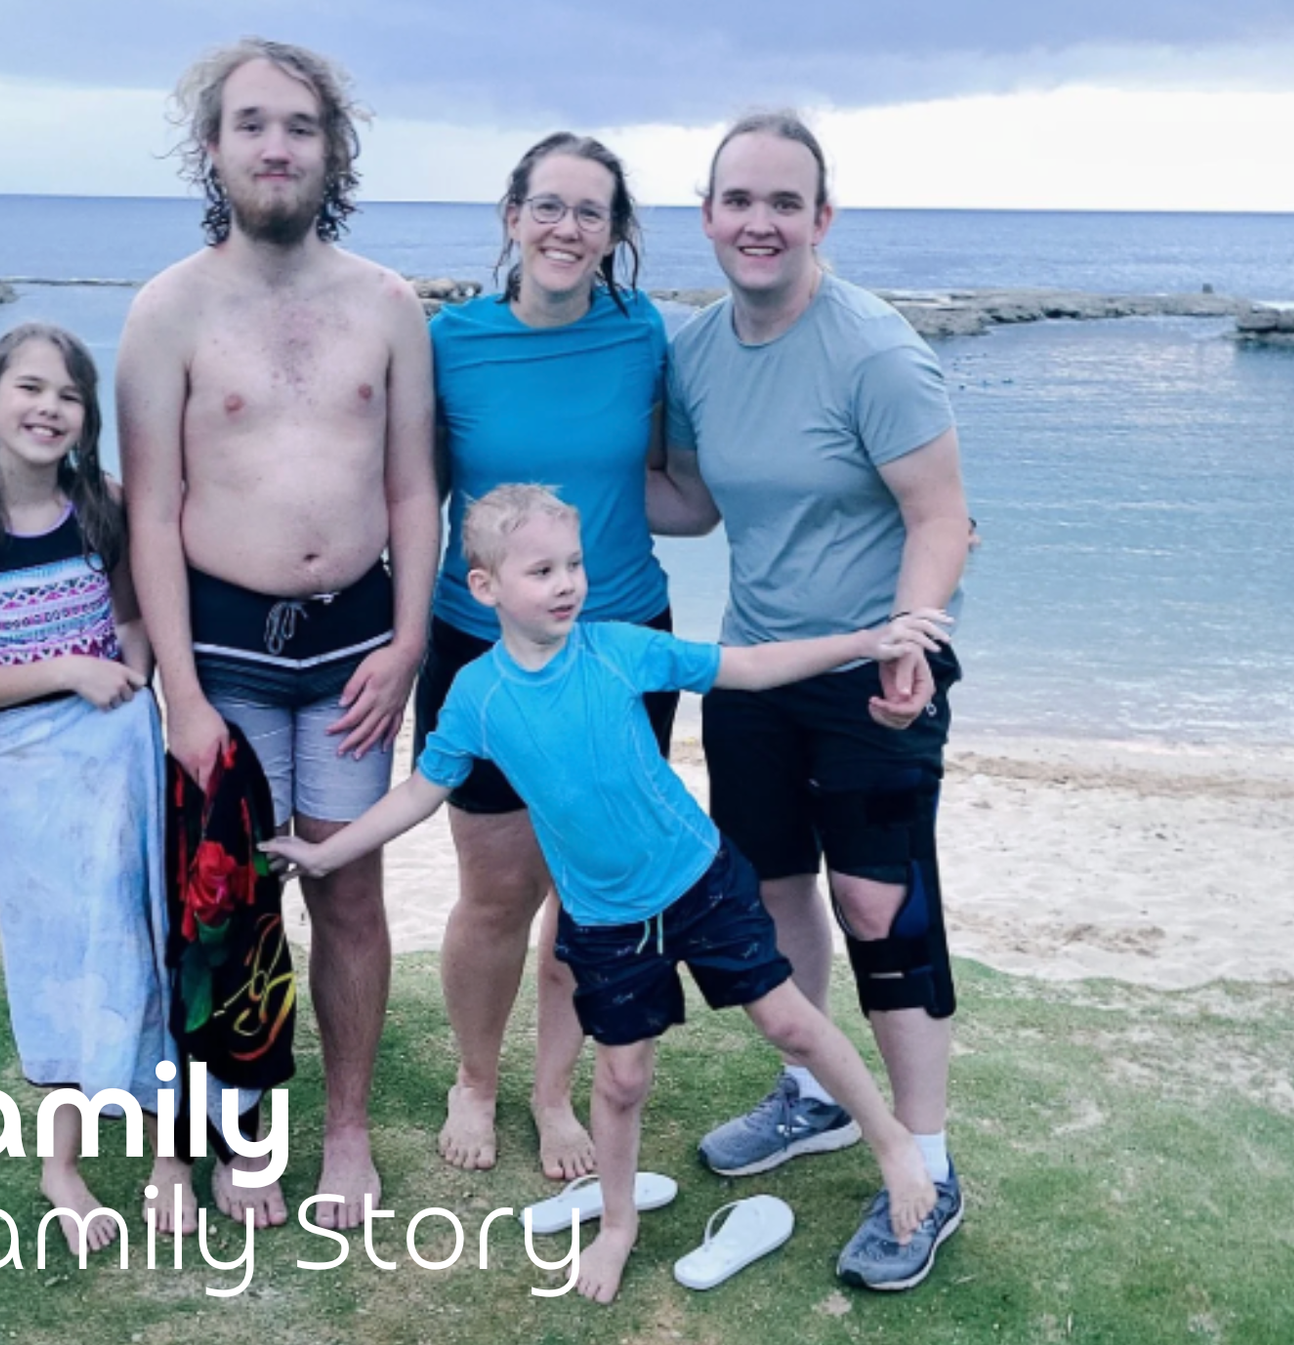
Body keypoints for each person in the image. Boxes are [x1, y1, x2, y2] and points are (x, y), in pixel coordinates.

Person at [264, 485, 943, 1304]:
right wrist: (329, 850)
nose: (566, 583)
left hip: (700, 881)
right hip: (608, 924)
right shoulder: (477, 697)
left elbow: (749, 666)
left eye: (574, 564)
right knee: (620, 1082)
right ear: (485, 588)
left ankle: (896, 1146)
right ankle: (616, 1225)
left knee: (792, 1021)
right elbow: (419, 792)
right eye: (542, 569)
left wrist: (870, 640)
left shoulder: (619, 650)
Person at [648, 111, 974, 1290]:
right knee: (777, 891)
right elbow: (693, 503)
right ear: (708, 217)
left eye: (784, 202)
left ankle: (927, 1168)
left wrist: (915, 637)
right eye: (738, 200)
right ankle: (813, 1096)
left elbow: (943, 515)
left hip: (877, 668)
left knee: (881, 905)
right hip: (757, 668)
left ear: (820, 220)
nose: (759, 221)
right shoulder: (693, 351)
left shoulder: (874, 351)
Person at [116, 38, 436, 1231]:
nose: (275, 146)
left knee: (348, 895)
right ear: (213, 149)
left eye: (299, 126)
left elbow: (414, 493)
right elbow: (150, 508)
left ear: (330, 148)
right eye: (251, 124)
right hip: (227, 655)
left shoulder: (388, 304)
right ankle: (245, 1127)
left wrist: (406, 645)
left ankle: (343, 1126)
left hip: (355, 650)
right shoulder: (167, 310)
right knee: (226, 905)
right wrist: (183, 697)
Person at [416, 133, 674, 1180]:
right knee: (495, 891)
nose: (568, 228)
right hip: (479, 652)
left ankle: (553, 1089)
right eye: (550, 206)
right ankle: (474, 1077)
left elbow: (681, 479)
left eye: (591, 212)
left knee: (589, 895)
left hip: (619, 651)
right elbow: (401, 494)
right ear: (512, 215)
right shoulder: (449, 341)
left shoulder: (642, 329)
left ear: (615, 235)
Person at [0, 322, 195, 1252]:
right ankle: (61, 1167)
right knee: (58, 959)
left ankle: (167, 1161)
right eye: (29, 389)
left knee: (143, 937)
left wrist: (129, 675)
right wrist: (73, 671)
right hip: (29, 775)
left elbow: (135, 621)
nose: (49, 408)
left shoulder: (102, 506)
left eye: (69, 396)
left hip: (120, 758)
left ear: (86, 419)